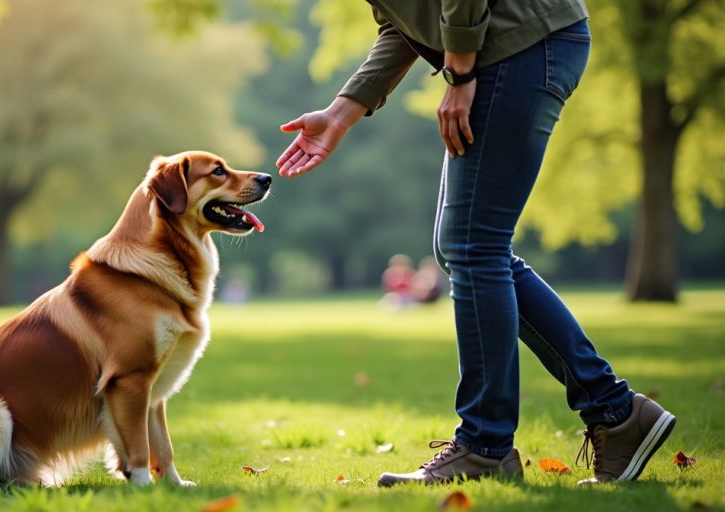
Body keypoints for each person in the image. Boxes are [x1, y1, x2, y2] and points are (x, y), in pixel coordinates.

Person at [276, 0, 675, 486]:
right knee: (464, 248)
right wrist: (341, 113)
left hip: (519, 47)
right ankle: (613, 412)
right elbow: (405, 25)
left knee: (473, 246)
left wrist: (461, 75)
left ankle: (487, 445)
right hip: (519, 48)